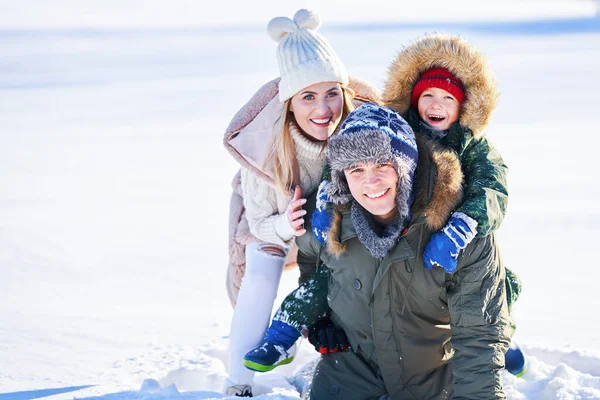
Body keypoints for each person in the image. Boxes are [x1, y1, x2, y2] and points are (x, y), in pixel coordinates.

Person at [243, 33, 525, 380]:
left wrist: (464, 224)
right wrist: (328, 203)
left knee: (495, 283)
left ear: (465, 105)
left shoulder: (475, 146)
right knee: (344, 275)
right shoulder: (395, 126)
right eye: (428, 96)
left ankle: (501, 336)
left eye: (447, 98)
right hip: (396, 229)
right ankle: (285, 333)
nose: (435, 104)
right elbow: (350, 158)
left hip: (452, 232)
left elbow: (491, 191)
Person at [221, 9, 380, 397]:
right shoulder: (266, 147)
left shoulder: (359, 126)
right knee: (262, 264)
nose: (323, 110)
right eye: (308, 96)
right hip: (274, 225)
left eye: (330, 94)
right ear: (289, 102)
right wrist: (284, 226)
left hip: (332, 227)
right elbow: (257, 223)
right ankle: (239, 381)